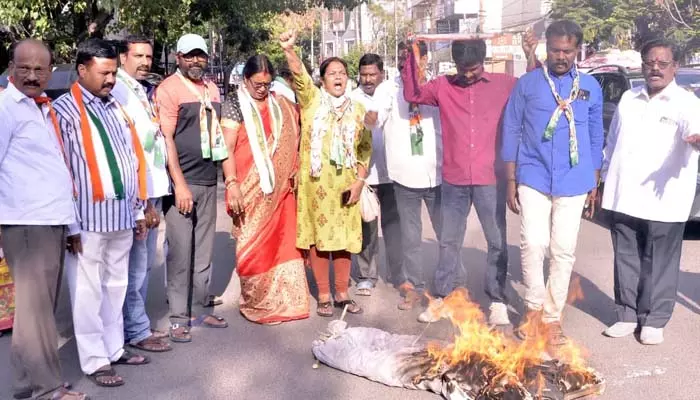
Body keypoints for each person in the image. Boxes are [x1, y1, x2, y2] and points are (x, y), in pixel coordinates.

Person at [53, 38, 150, 387]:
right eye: (104, 73)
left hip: (122, 215)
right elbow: (61, 170)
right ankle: (95, 362)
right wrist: (70, 225)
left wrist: (139, 212)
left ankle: (113, 348)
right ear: (82, 70)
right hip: (87, 223)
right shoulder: (63, 111)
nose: (111, 80)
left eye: (113, 73)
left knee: (116, 287)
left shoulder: (116, 106)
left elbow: (129, 160)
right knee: (88, 292)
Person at [501, 20, 604, 347]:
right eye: (556, 50)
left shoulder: (591, 87)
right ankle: (532, 310)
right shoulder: (528, 84)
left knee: (563, 250)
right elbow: (511, 128)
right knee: (533, 243)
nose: (561, 56)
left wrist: (594, 177)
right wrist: (510, 178)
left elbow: (594, 134)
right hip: (533, 174)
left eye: (567, 51)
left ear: (577, 50)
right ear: (547, 48)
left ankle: (552, 318)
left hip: (575, 179)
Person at [402, 38, 516, 326]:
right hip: (454, 180)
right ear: (455, 64)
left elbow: (535, 90)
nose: (468, 74)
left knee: (497, 241)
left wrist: (530, 54)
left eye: (474, 68)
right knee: (449, 241)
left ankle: (498, 299)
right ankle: (442, 297)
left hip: (491, 178)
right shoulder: (443, 86)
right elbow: (412, 94)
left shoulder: (504, 84)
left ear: (484, 62)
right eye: (463, 68)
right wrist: (412, 58)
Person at [0, 39, 88, 400]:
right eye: (24, 68)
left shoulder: (37, 107)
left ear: (50, 71)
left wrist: (71, 225)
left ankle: (25, 383)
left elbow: (51, 168)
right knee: (37, 313)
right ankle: (48, 388)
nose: (32, 76)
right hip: (25, 222)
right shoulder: (5, 109)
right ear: (10, 68)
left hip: (48, 219)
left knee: (35, 311)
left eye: (39, 69)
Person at [601, 38, 700, 345]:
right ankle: (627, 315)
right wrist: (603, 178)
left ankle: (655, 319)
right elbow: (612, 143)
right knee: (626, 258)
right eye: (649, 63)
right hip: (623, 195)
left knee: (660, 261)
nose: (655, 68)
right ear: (642, 66)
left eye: (662, 63)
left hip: (664, 200)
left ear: (675, 67)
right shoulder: (630, 98)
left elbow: (692, 129)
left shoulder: (687, 103)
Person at [280, 30, 372, 317]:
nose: (338, 77)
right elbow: (299, 75)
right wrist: (289, 50)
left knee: (344, 241)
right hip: (315, 185)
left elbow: (365, 148)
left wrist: (359, 181)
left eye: (343, 73)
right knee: (320, 241)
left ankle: (342, 293)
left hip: (345, 186)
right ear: (322, 80)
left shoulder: (358, 108)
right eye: (332, 73)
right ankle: (322, 294)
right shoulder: (312, 101)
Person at [156, 33, 234, 343]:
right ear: (178, 57)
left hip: (207, 180)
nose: (196, 61)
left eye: (200, 55)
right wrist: (179, 185)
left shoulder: (212, 89)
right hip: (182, 185)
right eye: (189, 55)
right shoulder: (169, 89)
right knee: (180, 254)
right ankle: (178, 317)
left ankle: (201, 308)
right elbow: (166, 139)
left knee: (203, 253)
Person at [223, 54, 310, 325]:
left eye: (267, 83)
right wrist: (232, 183)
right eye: (257, 84)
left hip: (281, 191)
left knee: (284, 243)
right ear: (245, 80)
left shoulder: (281, 105)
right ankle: (258, 302)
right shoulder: (235, 103)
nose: (262, 89)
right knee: (253, 245)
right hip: (249, 188)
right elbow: (226, 148)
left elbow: (295, 137)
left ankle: (289, 302)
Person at [112, 35, 172, 353]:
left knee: (144, 262)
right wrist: (143, 201)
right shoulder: (119, 90)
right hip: (140, 194)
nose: (145, 62)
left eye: (149, 56)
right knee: (136, 264)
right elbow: (128, 151)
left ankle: (136, 324)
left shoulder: (139, 89)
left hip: (152, 189)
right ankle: (134, 329)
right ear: (123, 58)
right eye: (138, 56)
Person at [372, 41, 442, 310]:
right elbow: (374, 118)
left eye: (412, 60)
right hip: (403, 177)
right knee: (411, 238)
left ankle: (450, 288)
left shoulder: (437, 87)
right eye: (402, 61)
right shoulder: (388, 90)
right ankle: (415, 288)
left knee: (446, 235)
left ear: (425, 60)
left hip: (437, 175)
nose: (406, 66)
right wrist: (366, 117)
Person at [349, 53, 402, 296]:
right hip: (365, 176)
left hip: (392, 173)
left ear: (381, 73)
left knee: (394, 228)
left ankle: (398, 273)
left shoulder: (393, 91)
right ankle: (365, 275)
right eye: (364, 74)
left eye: (372, 74)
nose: (368, 79)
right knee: (366, 228)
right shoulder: (352, 98)